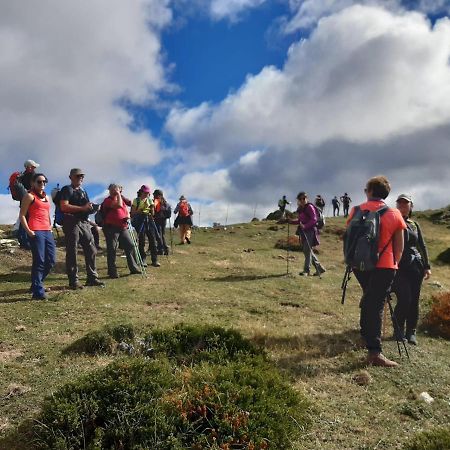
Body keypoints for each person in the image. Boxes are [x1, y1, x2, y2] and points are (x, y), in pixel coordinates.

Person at [346, 176, 406, 367]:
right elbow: (400, 247)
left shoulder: (355, 210)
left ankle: (366, 336)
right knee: (376, 304)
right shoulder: (395, 214)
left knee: (369, 297)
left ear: (370, 191)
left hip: (359, 264)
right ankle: (375, 351)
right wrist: (395, 263)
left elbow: (349, 238)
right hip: (385, 265)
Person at [391, 194, 431, 345]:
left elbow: (422, 245)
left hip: (416, 267)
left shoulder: (414, 224)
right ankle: (398, 329)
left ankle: (411, 331)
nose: (402, 205)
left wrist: (427, 266)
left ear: (410, 206)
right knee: (405, 298)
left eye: (405, 203)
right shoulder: (392, 220)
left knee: (414, 300)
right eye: (399, 202)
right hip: (399, 267)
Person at [59, 168, 104, 289]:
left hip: (84, 222)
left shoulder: (83, 191)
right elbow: (64, 206)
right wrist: (82, 208)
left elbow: (85, 207)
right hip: (71, 222)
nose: (80, 178)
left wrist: (92, 208)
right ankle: (73, 280)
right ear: (71, 177)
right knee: (72, 251)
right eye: (78, 176)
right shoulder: (67, 189)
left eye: (82, 176)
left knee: (91, 249)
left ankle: (92, 278)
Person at [19, 173, 56, 300]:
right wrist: (29, 231)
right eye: (39, 182)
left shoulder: (46, 197)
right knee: (39, 261)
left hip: (47, 231)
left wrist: (50, 227)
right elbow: (22, 215)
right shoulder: (29, 196)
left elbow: (47, 213)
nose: (42, 184)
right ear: (33, 183)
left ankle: (36, 283)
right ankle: (38, 292)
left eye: (44, 182)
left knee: (51, 260)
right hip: (36, 230)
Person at [101, 184, 141, 278]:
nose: (115, 191)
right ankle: (112, 272)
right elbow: (118, 206)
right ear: (110, 190)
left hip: (123, 227)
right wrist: (118, 194)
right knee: (112, 249)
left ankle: (134, 268)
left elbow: (129, 204)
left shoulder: (121, 199)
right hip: (111, 228)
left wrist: (127, 216)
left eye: (117, 189)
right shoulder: (107, 200)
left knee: (130, 245)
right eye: (113, 189)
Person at [288, 192, 325, 277]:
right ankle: (320, 268)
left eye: (303, 198)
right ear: (298, 200)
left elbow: (314, 219)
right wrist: (291, 221)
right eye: (300, 199)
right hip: (304, 232)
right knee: (307, 251)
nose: (302, 200)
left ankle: (306, 271)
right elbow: (299, 221)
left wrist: (305, 226)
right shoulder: (301, 209)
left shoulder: (310, 207)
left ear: (306, 198)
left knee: (307, 250)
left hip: (310, 231)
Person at [130, 185, 160, 267]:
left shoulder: (150, 200)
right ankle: (143, 259)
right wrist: (141, 210)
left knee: (153, 240)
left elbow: (153, 213)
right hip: (140, 220)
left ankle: (155, 260)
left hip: (149, 220)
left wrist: (151, 208)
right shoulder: (136, 201)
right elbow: (132, 213)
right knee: (142, 240)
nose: (147, 194)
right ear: (142, 192)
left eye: (148, 193)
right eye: (146, 192)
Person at [153, 189, 171, 255]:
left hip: (157, 220)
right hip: (164, 220)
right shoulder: (165, 203)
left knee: (158, 235)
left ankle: (161, 249)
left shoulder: (156, 201)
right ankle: (165, 249)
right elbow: (169, 213)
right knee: (162, 235)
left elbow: (154, 211)